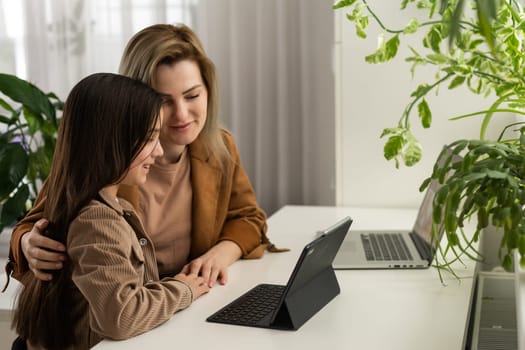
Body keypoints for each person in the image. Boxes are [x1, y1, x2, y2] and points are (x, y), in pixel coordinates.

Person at [6, 24, 286, 289]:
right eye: (163, 101)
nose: (181, 114)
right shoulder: (102, 155)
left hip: (184, 305)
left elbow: (248, 217)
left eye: (192, 95)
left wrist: (221, 254)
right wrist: (28, 243)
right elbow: (29, 227)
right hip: (117, 320)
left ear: (208, 90)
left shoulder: (219, 147)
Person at [12, 73, 210, 349]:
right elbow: (121, 317)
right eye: (151, 138)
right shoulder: (97, 219)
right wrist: (182, 289)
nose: (159, 151)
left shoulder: (112, 207)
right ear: (112, 141)